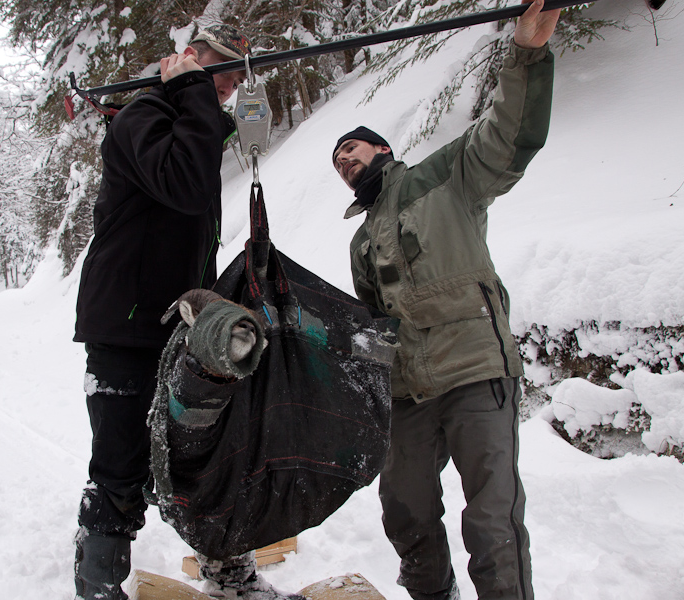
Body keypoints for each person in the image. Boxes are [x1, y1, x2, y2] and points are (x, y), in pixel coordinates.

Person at [329, 1, 560, 599]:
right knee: (404, 510)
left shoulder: (444, 175)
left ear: (382, 150)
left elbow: (509, 134)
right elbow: (372, 323)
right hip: (406, 391)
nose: (345, 163)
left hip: (474, 367)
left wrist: (527, 53)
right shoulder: (359, 242)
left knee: (491, 520)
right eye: (337, 165)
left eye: (352, 150)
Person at [72, 24, 299, 600]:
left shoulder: (184, 128)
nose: (228, 86)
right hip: (126, 329)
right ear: (190, 62)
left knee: (210, 458)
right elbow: (186, 184)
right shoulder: (139, 119)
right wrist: (196, 92)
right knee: (121, 469)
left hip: (177, 330)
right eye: (221, 72)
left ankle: (232, 577)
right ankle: (98, 588)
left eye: (231, 78)